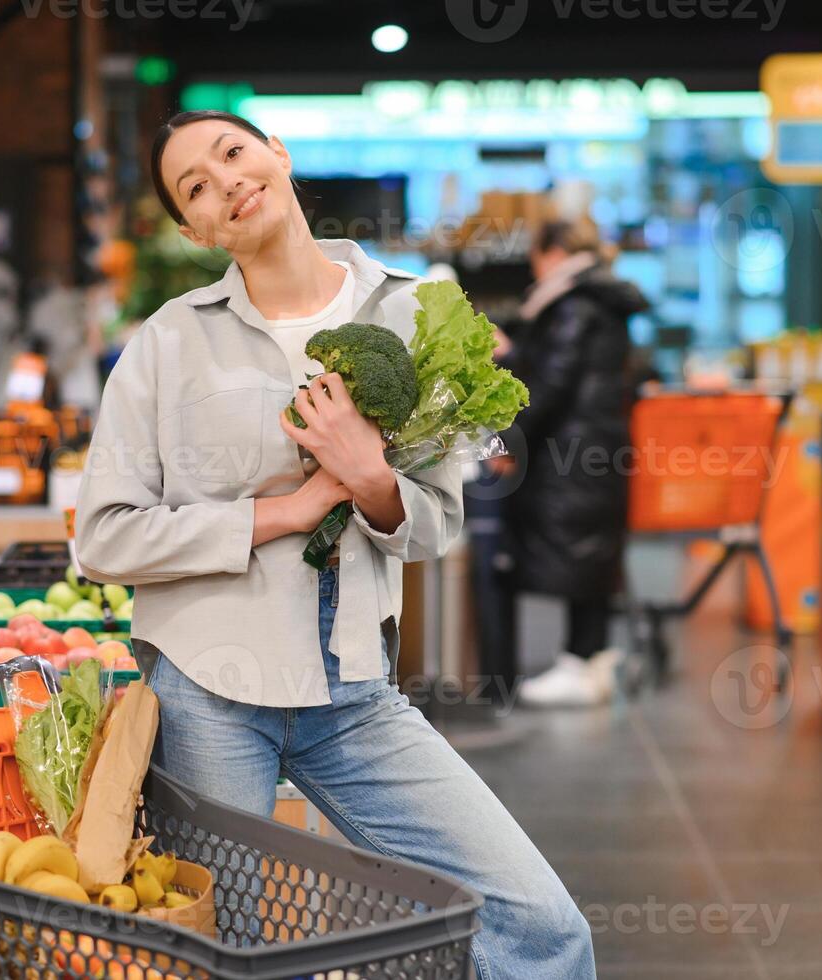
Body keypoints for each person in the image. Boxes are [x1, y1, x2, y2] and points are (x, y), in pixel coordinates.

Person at [74, 110, 594, 980]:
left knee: (542, 929)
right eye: (195, 186)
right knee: (223, 958)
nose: (226, 182)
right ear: (192, 229)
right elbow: (103, 538)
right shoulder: (167, 342)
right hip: (208, 696)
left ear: (276, 156)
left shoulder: (411, 310)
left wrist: (371, 478)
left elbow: (435, 524)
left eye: (233, 153)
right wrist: (286, 510)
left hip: (355, 690)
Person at [494, 205, 648, 708]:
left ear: (554, 254)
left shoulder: (572, 304)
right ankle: (590, 659)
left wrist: (507, 437)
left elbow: (548, 385)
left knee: (582, 554)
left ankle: (583, 663)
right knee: (592, 555)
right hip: (595, 449)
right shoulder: (599, 300)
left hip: (574, 452)